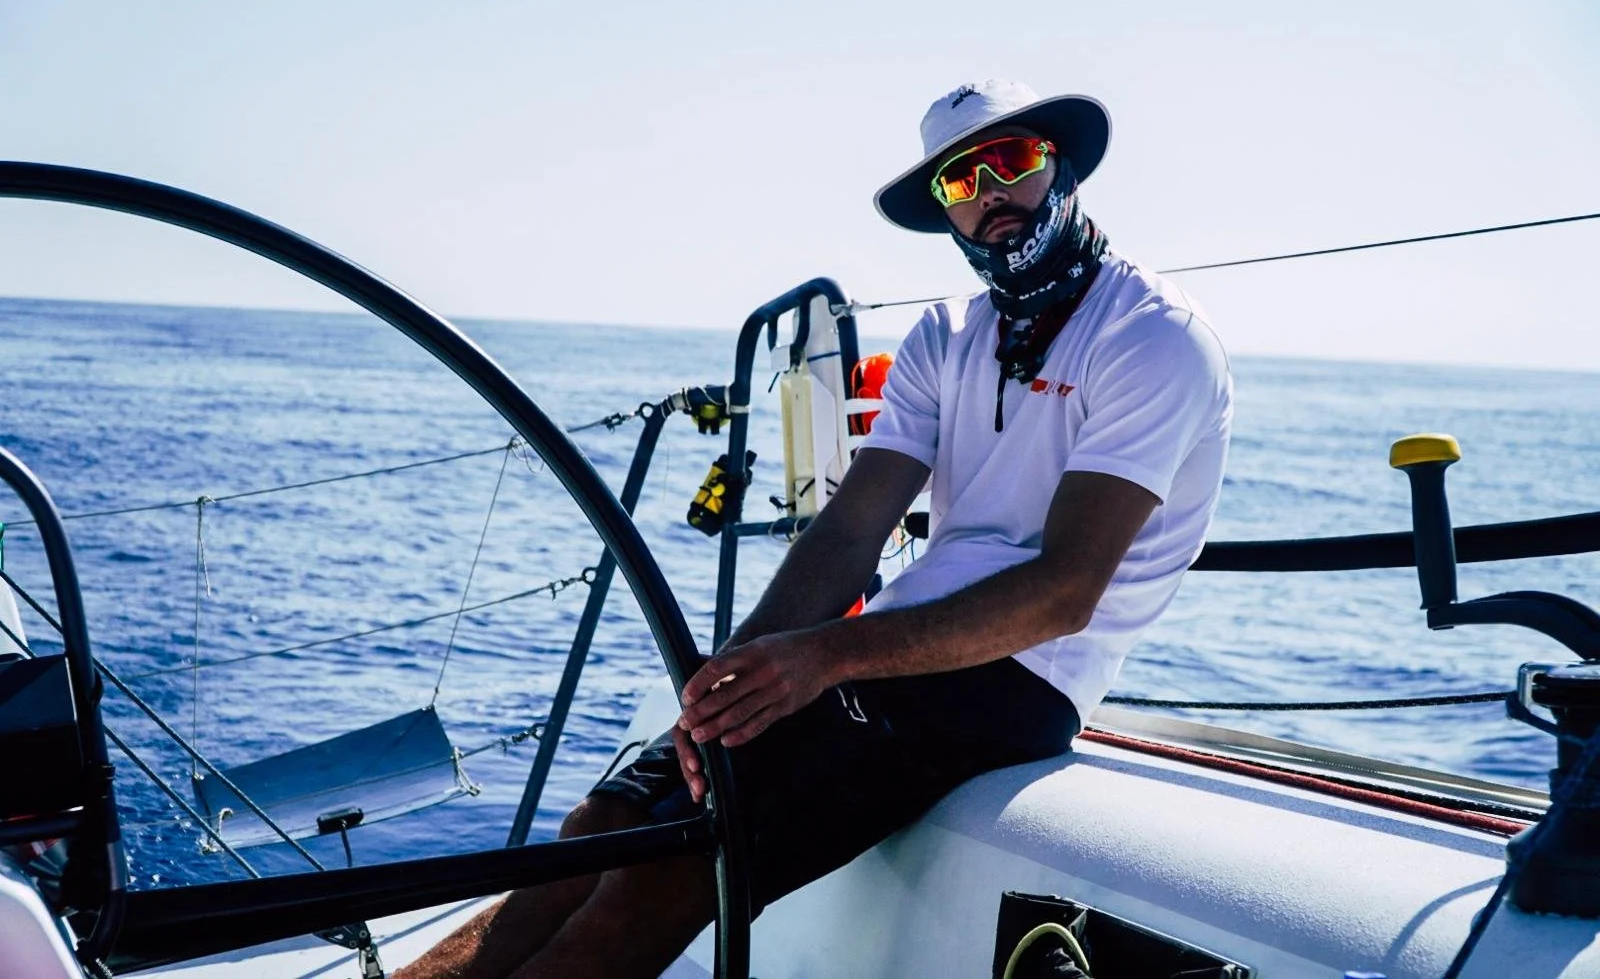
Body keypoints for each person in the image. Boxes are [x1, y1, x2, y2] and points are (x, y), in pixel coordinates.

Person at [398, 78, 1232, 979]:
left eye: (1012, 163)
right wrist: (724, 683)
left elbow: (1065, 594)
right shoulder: (946, 335)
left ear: (1059, 167)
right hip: (892, 651)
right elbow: (847, 534)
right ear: (945, 214)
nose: (990, 196)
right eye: (961, 183)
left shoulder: (1154, 337)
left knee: (679, 860)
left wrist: (826, 658)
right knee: (597, 828)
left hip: (1019, 679)